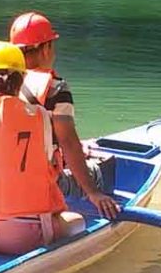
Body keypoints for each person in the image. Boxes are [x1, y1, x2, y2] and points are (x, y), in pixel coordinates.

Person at [0, 42, 86, 254]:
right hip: (29, 233)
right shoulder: (40, 116)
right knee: (77, 223)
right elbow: (48, 159)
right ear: (21, 78)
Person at [7, 11, 122, 219]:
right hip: (41, 188)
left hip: (4, 185)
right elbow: (68, 142)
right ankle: (100, 204)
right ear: (46, 48)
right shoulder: (56, 89)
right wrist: (93, 192)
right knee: (98, 171)